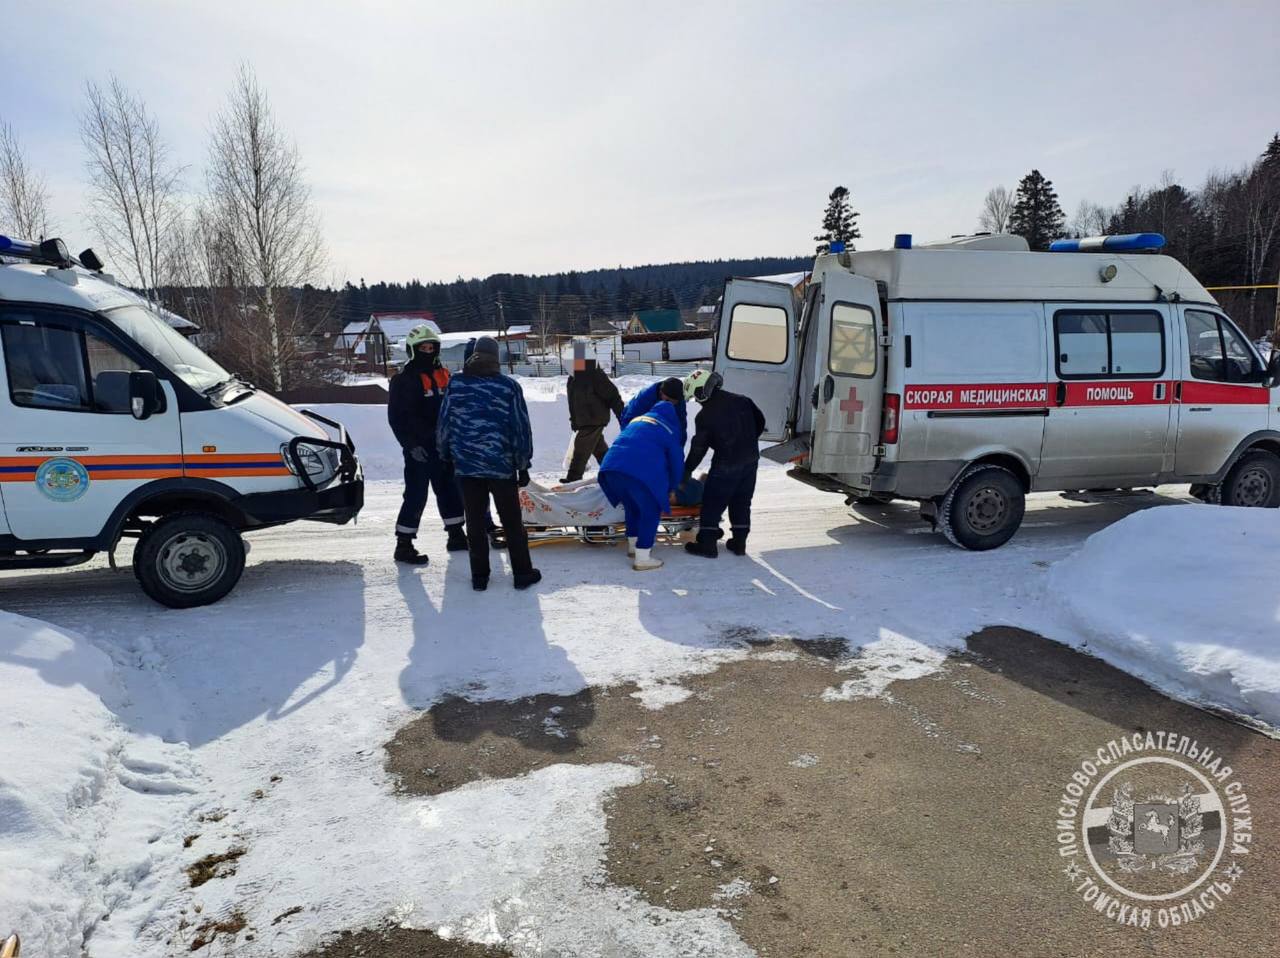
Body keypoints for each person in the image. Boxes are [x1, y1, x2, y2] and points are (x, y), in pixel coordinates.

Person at [437, 336, 541, 591]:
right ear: (496, 357)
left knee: (474, 522)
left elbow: (444, 423)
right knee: (512, 522)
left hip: (466, 466)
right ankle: (522, 574)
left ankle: (480, 577)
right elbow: (520, 428)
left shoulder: (456, 383)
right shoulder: (508, 387)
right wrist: (523, 463)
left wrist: (445, 455)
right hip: (501, 467)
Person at [387, 324, 466, 565]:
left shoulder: (445, 375)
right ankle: (404, 544)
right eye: (423, 347)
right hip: (419, 449)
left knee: (450, 490)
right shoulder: (403, 380)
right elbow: (397, 418)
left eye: (432, 347)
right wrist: (410, 445)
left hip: (444, 447)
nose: (428, 350)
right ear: (413, 349)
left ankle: (456, 534)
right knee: (415, 494)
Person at [681, 369, 765, 558]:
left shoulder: (704, 417)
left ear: (702, 390)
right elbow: (760, 421)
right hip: (751, 460)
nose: (696, 400)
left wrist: (686, 470)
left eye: (695, 396)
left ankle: (707, 545)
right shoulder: (743, 400)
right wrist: (748, 440)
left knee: (712, 502)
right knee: (742, 501)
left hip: (726, 464)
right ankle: (739, 543)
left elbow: (698, 449)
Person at [597, 398, 685, 571]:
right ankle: (643, 557)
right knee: (650, 510)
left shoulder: (638, 420)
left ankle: (632, 546)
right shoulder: (669, 428)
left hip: (610, 470)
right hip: (637, 473)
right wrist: (673, 486)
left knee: (632, 507)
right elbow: (677, 462)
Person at [563, 342, 624, 482]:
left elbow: (612, 395)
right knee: (600, 450)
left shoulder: (595, 375)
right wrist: (574, 421)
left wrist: (621, 415)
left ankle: (573, 478)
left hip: (595, 418)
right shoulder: (573, 378)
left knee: (581, 448)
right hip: (584, 421)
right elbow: (573, 402)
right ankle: (614, 474)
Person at [620, 377, 688, 446]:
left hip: (658, 423)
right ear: (662, 393)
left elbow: (681, 427)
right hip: (633, 419)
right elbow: (628, 422)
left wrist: (679, 449)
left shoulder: (679, 400)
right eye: (670, 401)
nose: (672, 405)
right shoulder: (644, 398)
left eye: (675, 402)